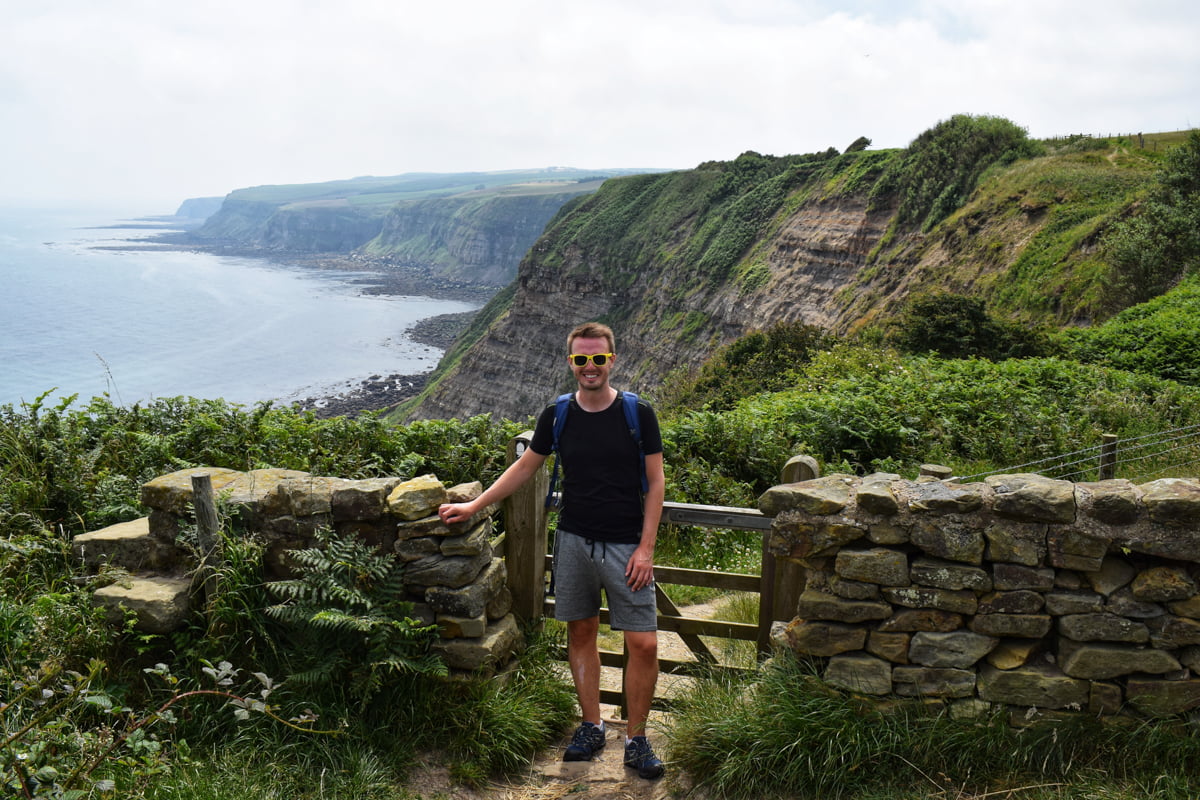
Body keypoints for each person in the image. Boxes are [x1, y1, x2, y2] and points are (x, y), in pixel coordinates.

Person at [438, 321, 666, 780]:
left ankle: (637, 739)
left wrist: (645, 549)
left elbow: (656, 481)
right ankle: (591, 724)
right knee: (580, 633)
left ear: (611, 361)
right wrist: (475, 505)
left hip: (626, 545)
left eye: (598, 358)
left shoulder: (638, 414)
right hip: (573, 540)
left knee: (642, 642)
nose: (590, 367)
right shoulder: (557, 415)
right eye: (581, 359)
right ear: (571, 363)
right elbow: (525, 467)